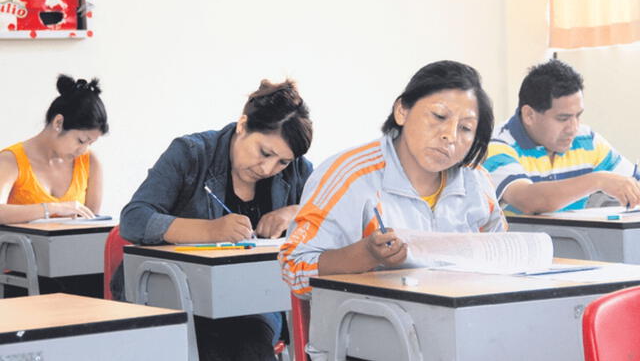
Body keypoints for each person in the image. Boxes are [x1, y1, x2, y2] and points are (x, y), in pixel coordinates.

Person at [118, 79, 313, 361]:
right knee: (211, 344)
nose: (269, 169)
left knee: (249, 340)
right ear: (243, 125)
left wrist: (294, 212)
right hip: (180, 296)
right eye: (265, 153)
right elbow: (134, 219)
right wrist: (209, 230)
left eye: (281, 162)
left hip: (255, 301)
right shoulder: (191, 153)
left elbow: (329, 213)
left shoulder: (295, 170)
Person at [279, 60, 506, 301]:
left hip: (458, 322)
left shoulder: (476, 181)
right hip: (372, 324)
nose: (449, 136)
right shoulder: (349, 175)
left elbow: (502, 257)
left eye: (465, 128)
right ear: (402, 111)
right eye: (439, 116)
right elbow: (294, 268)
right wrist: (367, 254)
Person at [483, 60, 640, 214]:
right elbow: (530, 200)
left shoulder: (587, 141)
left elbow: (634, 183)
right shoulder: (496, 146)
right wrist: (598, 180)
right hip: (520, 239)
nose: (573, 128)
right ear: (529, 115)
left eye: (578, 116)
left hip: (574, 239)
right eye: (563, 118)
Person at [0, 74, 109, 296]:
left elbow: (90, 220)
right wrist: (53, 209)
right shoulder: (11, 160)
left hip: (75, 268)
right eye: (80, 140)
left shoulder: (90, 162)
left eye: (91, 143)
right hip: (23, 269)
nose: (83, 150)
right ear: (58, 123)